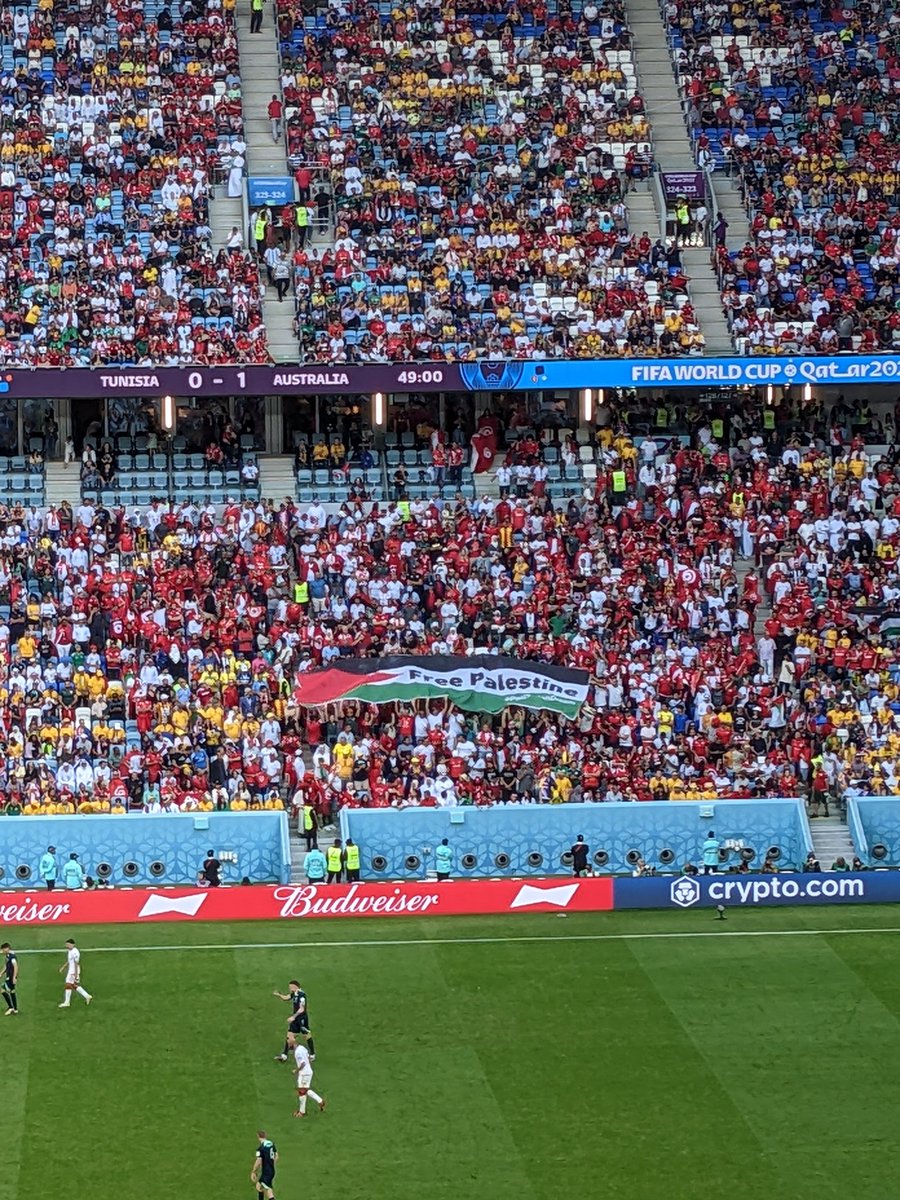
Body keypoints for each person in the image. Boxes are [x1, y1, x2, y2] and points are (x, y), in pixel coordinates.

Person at [274, 979, 316, 1061]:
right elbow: (286, 997)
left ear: (295, 986)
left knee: (306, 1035)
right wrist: (279, 995)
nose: (290, 988)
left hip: (302, 1019)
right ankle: (284, 1055)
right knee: (289, 1035)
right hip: (295, 1018)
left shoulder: (302, 995)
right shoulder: (294, 993)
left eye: (291, 987)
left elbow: (302, 1009)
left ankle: (312, 1054)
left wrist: (294, 1016)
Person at [288, 1032, 325, 1118]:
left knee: (302, 1092)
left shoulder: (297, 1052)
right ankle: (320, 1101)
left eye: (289, 1042)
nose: (288, 1044)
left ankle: (302, 1112)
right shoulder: (302, 1048)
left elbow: (303, 1063)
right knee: (304, 1090)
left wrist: (296, 1071)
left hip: (304, 1073)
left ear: (293, 1043)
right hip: (307, 1072)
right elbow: (308, 1057)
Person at [58, 938, 92, 1008]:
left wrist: (76, 975)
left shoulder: (75, 952)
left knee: (68, 985)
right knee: (73, 985)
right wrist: (63, 967)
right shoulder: (70, 951)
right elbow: (69, 961)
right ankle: (87, 996)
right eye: (66, 945)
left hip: (73, 972)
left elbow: (76, 964)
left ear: (72, 945)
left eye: (68, 945)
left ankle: (67, 1002)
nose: (67, 946)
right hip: (71, 971)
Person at [251, 1131, 278, 1200]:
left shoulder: (260, 1148)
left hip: (266, 1172)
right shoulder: (271, 1144)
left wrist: (254, 1171)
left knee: (269, 1191)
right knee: (259, 1187)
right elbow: (276, 1156)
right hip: (271, 1170)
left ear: (258, 1137)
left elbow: (258, 1161)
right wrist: (271, 1164)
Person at [1, 942, 18, 1016]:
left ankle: (11, 1007)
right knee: (12, 991)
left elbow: (16, 967)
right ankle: (15, 1009)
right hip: (10, 976)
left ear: (7, 948)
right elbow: (6, 966)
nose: (2, 951)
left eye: (3, 949)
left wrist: (14, 977)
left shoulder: (12, 957)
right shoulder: (8, 956)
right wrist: (1, 973)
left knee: (2, 990)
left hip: (10, 977)